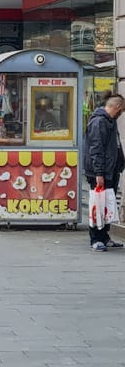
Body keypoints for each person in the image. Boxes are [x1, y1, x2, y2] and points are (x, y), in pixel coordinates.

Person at [83, 94, 125, 251]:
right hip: (100, 173)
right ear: (117, 107)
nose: (121, 115)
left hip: (110, 171)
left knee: (107, 205)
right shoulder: (99, 122)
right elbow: (96, 149)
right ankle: (96, 238)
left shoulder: (110, 122)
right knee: (98, 205)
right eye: (121, 111)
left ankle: (104, 236)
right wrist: (99, 173)